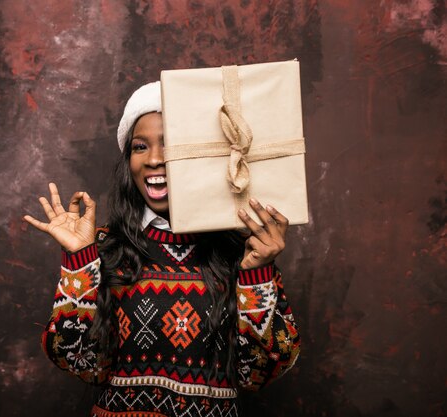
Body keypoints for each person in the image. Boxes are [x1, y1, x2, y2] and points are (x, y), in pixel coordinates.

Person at [24, 81, 300, 417]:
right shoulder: (103, 247)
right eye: (140, 147)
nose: (155, 160)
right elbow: (81, 362)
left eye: (170, 145)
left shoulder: (242, 253)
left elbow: (260, 374)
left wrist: (257, 274)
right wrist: (81, 261)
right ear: (128, 161)